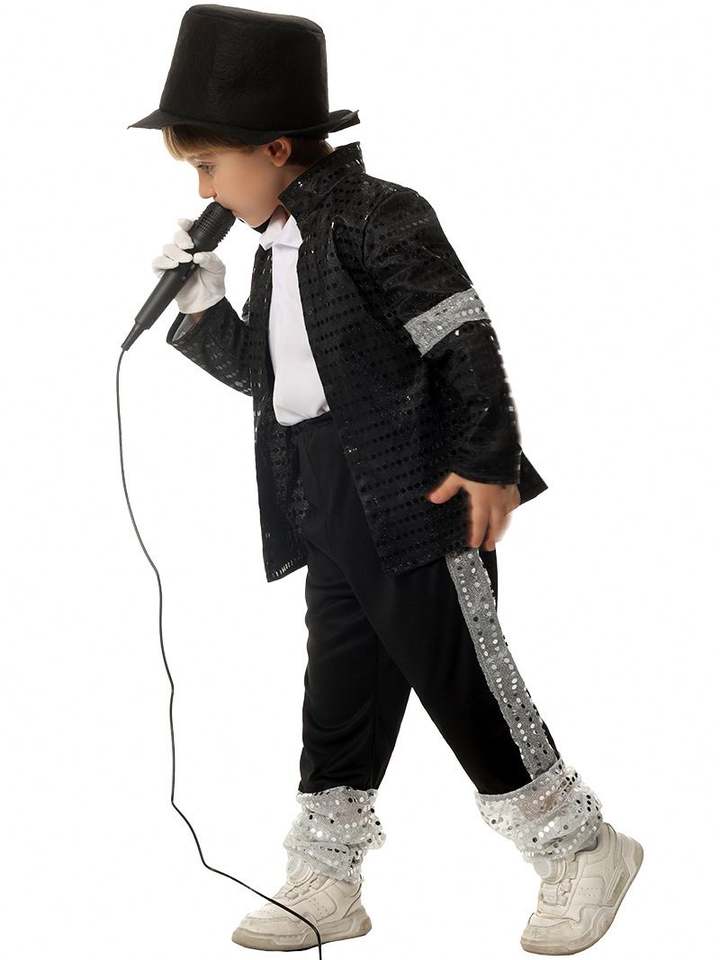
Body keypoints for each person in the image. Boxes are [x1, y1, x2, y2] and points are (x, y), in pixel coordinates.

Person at [130, 5, 644, 954]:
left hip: (416, 492)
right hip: (323, 491)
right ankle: (329, 875)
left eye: (208, 165)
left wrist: (488, 462)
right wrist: (202, 314)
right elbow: (281, 381)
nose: (202, 188)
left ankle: (581, 848)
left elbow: (462, 338)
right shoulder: (275, 246)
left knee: (460, 675)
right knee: (341, 685)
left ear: (274, 148)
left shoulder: (380, 215)